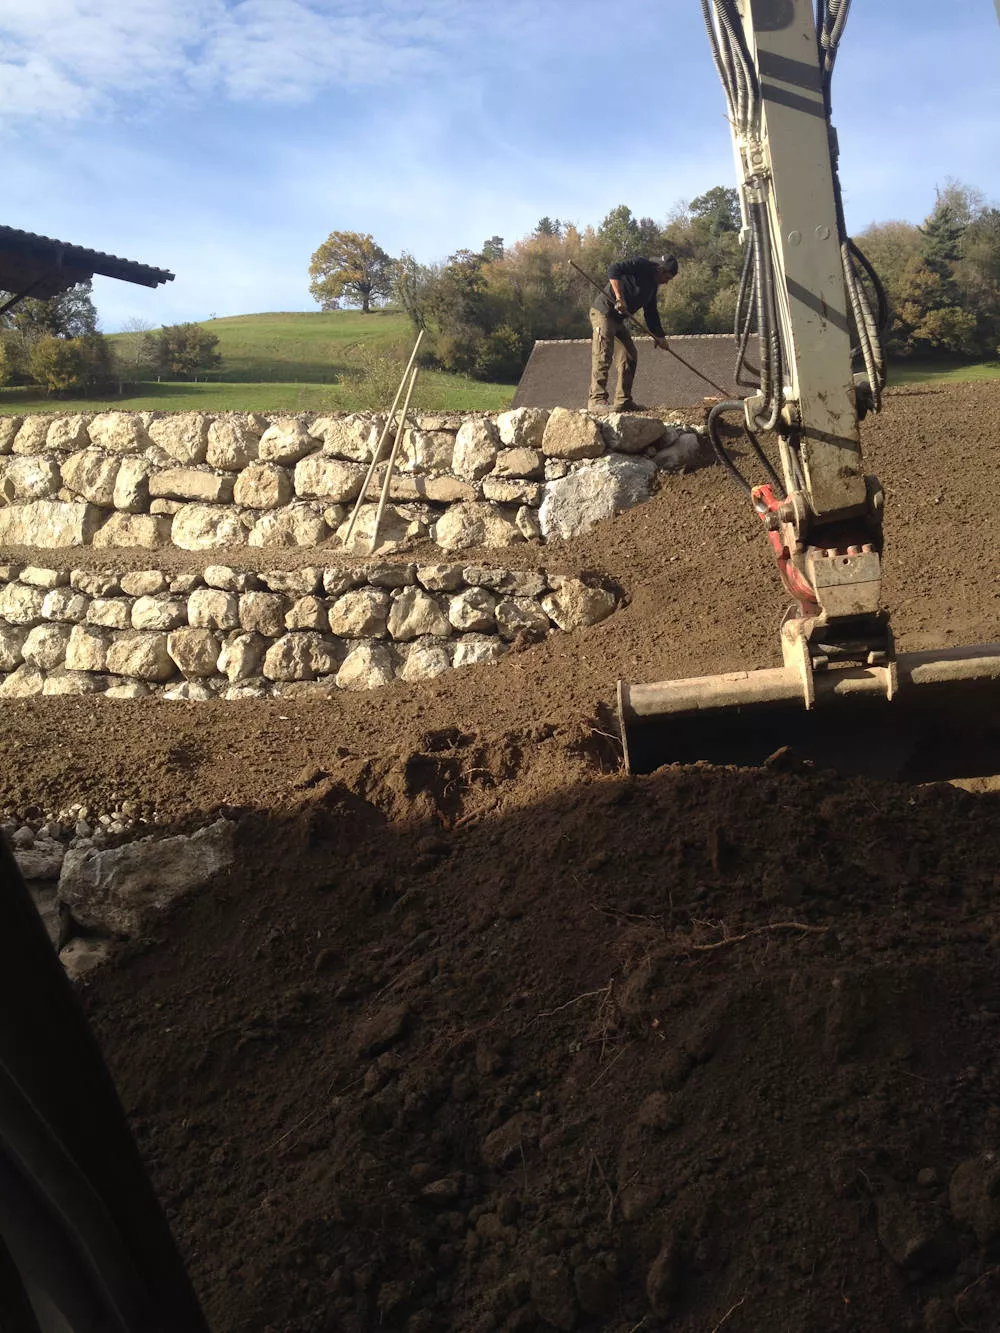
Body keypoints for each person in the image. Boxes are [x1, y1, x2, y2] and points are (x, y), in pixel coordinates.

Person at [588, 255, 678, 412]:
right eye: (667, 277)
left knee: (629, 355)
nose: (667, 282)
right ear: (660, 270)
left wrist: (660, 336)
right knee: (603, 353)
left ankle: (624, 401)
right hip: (604, 312)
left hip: (618, 319)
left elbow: (651, 313)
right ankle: (596, 400)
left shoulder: (652, 288)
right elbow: (613, 269)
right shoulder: (641, 264)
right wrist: (619, 298)